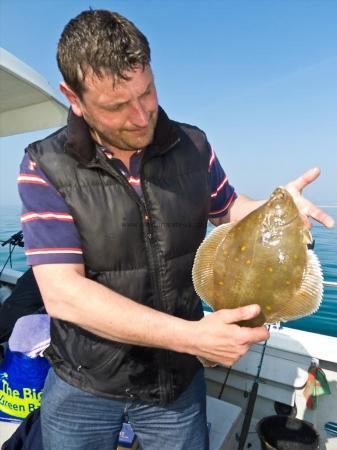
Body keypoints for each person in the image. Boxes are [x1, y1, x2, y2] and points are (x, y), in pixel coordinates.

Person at [18, 9, 334, 450]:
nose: (141, 116)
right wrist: (195, 336)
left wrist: (277, 209)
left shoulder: (193, 146)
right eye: (116, 106)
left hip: (175, 386)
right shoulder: (44, 165)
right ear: (73, 97)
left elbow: (228, 209)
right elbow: (62, 293)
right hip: (84, 384)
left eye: (147, 93)